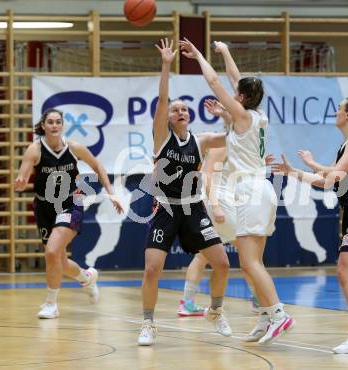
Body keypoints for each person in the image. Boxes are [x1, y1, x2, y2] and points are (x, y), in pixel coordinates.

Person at [179, 38, 294, 345]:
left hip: (249, 192)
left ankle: (279, 315)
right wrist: (226, 51)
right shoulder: (258, 115)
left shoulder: (242, 116)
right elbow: (233, 79)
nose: (231, 94)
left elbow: (216, 81)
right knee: (252, 262)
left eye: (236, 93)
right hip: (261, 190)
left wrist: (201, 56)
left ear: (241, 97)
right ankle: (266, 317)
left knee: (249, 263)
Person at [271, 96, 348, 354]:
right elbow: (332, 178)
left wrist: (314, 166)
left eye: (339, 108)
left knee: (345, 272)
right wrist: (294, 172)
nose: (336, 112)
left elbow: (331, 178)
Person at [138, 38, 232, 346]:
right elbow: (162, 100)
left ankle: (215, 311)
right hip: (166, 207)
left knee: (222, 264)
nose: (180, 112)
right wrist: (166, 65)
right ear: (167, 117)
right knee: (152, 269)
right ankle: (149, 324)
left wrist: (225, 115)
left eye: (184, 109)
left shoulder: (201, 140)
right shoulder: (161, 136)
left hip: (193, 208)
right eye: (175, 109)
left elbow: (234, 135)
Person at [15, 108, 123, 319]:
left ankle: (51, 303)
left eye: (58, 122)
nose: (55, 125)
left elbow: (98, 166)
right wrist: (19, 183)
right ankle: (86, 277)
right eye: (51, 122)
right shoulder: (34, 150)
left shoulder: (74, 148)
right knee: (60, 261)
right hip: (44, 207)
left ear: (62, 125)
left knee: (52, 252)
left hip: (70, 203)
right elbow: (22, 176)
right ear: (43, 126)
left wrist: (111, 192)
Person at [177, 99, 259, 317]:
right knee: (247, 252)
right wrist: (215, 206)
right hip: (218, 203)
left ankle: (187, 301)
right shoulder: (220, 145)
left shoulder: (236, 145)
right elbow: (208, 176)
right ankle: (258, 299)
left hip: (221, 202)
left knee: (203, 256)